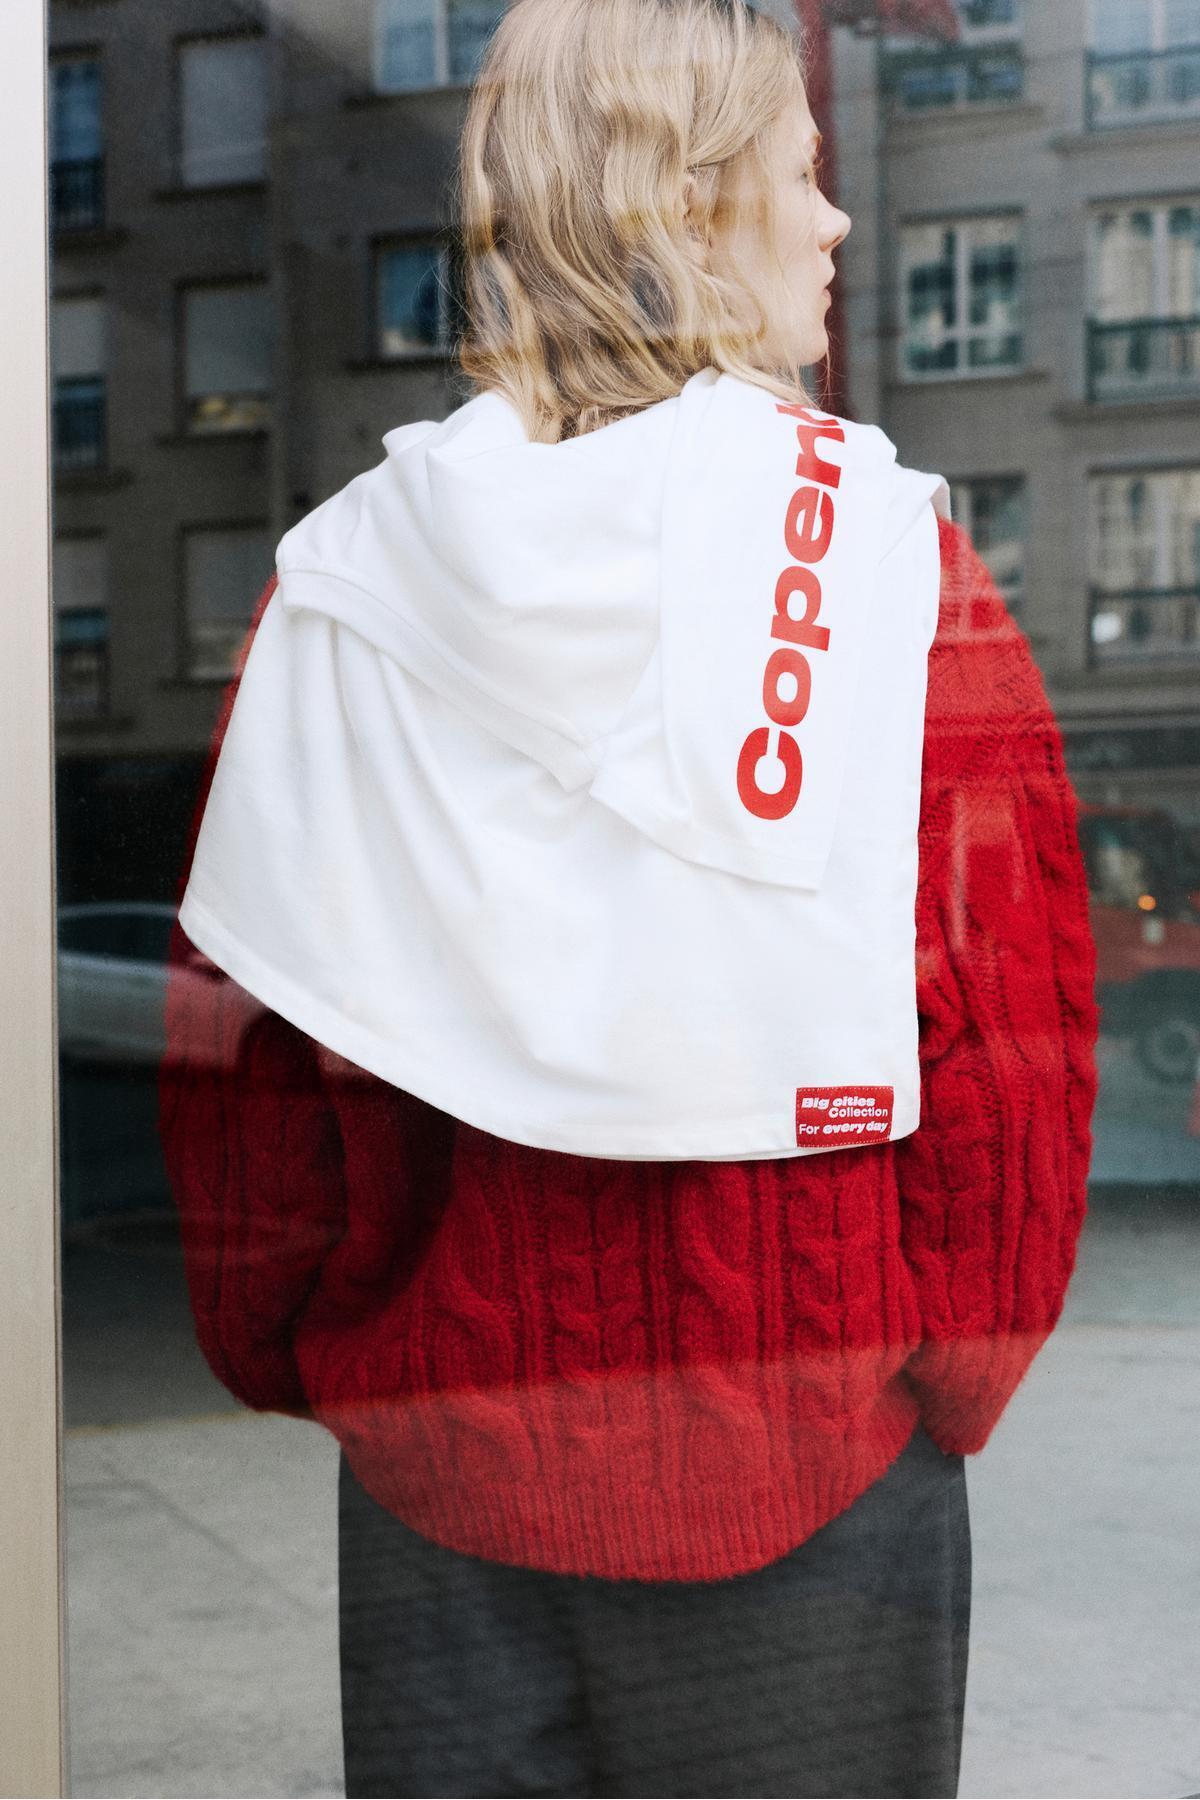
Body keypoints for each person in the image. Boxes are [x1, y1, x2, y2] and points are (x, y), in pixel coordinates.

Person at [157, 1, 1100, 1794]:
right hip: (814, 1466)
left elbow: (255, 1041)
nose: (832, 221)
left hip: (440, 1459)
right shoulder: (891, 574)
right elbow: (1010, 1038)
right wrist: (938, 1382)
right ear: (688, 205)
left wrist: (310, 1350)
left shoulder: (342, 587)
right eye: (800, 178)